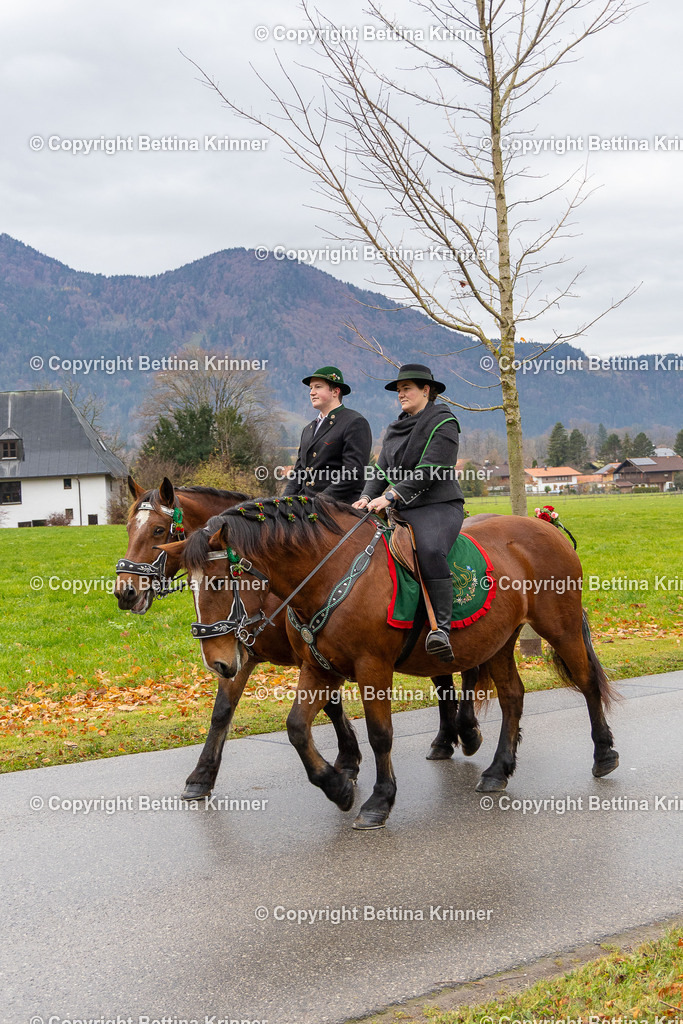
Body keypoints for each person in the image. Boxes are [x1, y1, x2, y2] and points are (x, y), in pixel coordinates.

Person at [353, 363, 465, 662]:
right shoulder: (395, 428)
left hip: (439, 506)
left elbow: (431, 470)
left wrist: (391, 495)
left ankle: (441, 628)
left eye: (407, 389)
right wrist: (366, 497)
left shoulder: (444, 423)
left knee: (429, 550)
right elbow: (380, 471)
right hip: (403, 509)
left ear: (426, 390)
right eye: (399, 390)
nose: (401, 394)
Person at [283, 366, 372, 504]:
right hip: (306, 506)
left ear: (335, 391)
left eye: (318, 387)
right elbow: (298, 474)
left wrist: (317, 502)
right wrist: (282, 503)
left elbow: (353, 474)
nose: (312, 392)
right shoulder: (308, 429)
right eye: (310, 388)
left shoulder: (354, 422)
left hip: (337, 507)